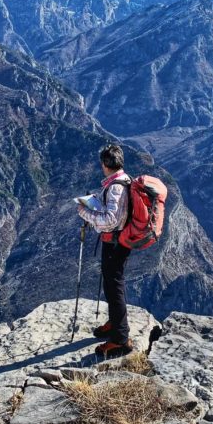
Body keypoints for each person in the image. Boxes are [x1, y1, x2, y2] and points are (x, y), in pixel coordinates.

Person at [77, 142, 134, 357]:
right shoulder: (124, 180)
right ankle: (115, 322)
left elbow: (111, 220)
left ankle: (120, 340)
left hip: (115, 243)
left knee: (115, 286)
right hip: (120, 241)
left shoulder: (116, 187)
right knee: (112, 285)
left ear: (104, 164)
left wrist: (85, 213)